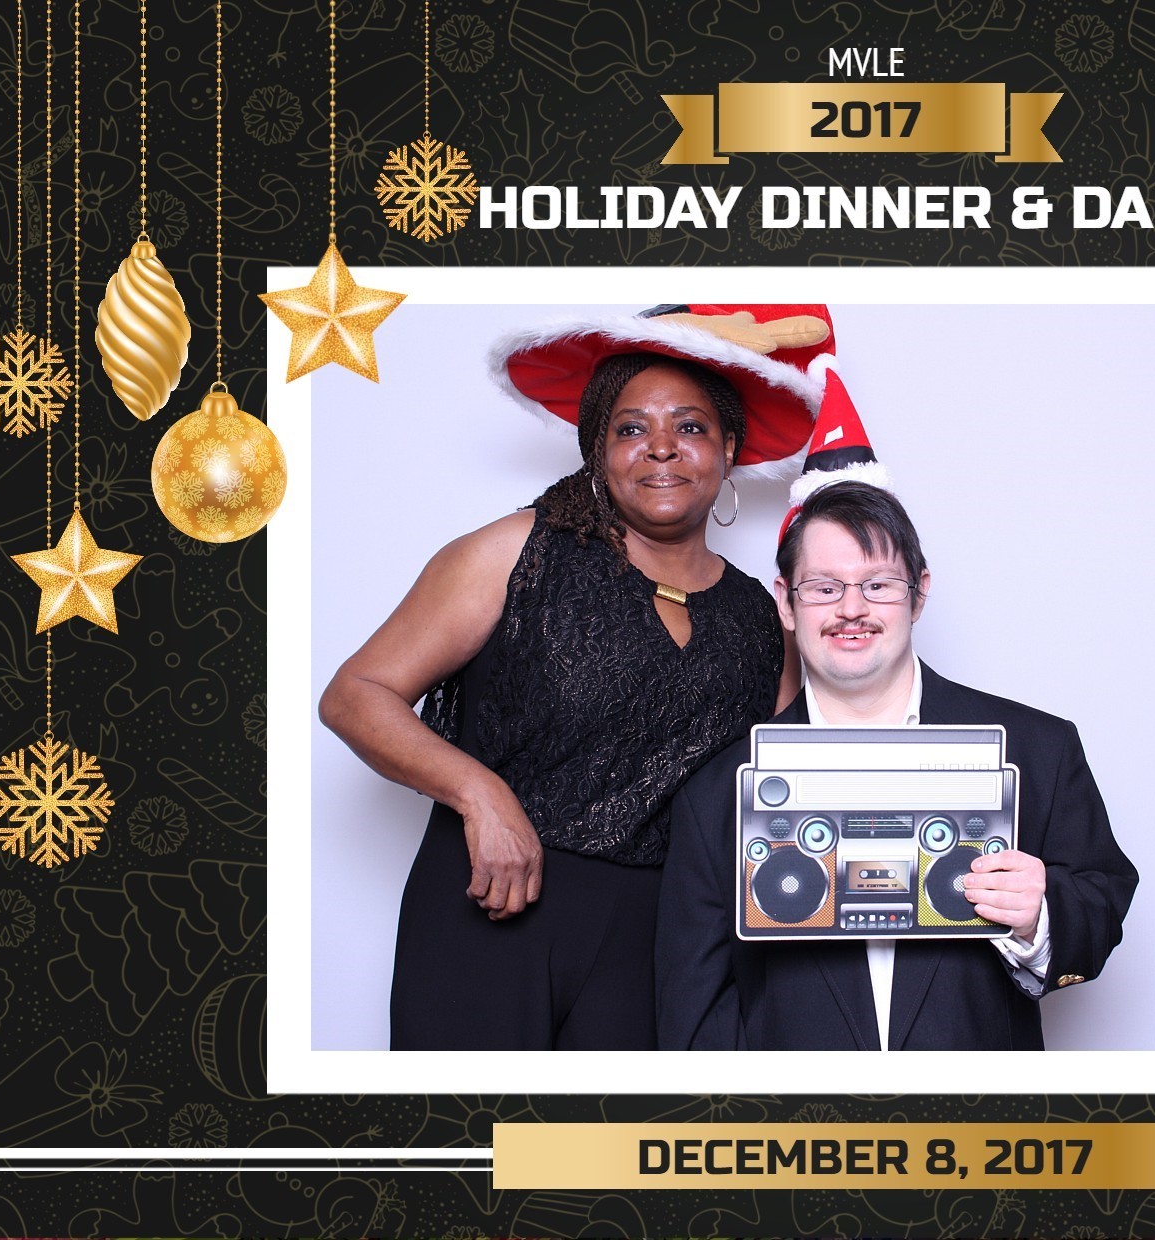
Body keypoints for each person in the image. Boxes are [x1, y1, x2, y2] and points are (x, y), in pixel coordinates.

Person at [320, 304, 831, 1050]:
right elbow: (355, 695)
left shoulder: (760, 616)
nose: (661, 447)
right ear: (598, 449)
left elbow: (777, 792)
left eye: (690, 427)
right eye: (631, 428)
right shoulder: (517, 553)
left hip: (659, 945)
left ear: (728, 449)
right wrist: (481, 796)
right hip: (492, 902)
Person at [656, 477, 1139, 1051]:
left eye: (878, 585)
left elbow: (1102, 906)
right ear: (786, 601)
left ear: (919, 593)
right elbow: (694, 1014)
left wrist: (1039, 916)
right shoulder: (716, 794)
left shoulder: (1037, 749)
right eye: (824, 587)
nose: (851, 609)